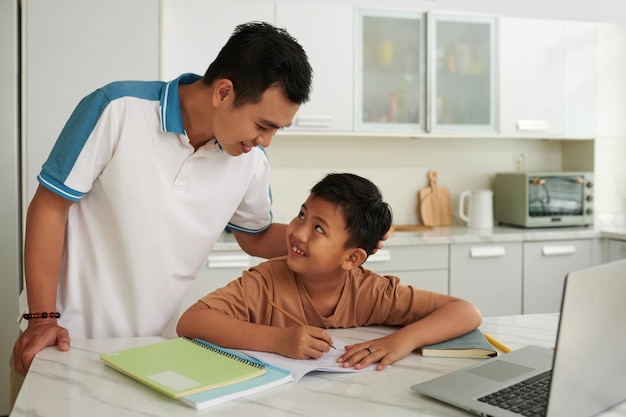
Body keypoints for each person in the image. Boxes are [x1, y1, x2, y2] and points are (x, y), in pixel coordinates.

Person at [10, 20, 314, 397]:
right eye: (263, 124)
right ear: (223, 91)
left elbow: (256, 237)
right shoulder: (117, 109)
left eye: (276, 130)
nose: (265, 140)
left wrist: (332, 237)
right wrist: (41, 319)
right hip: (66, 339)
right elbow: (48, 207)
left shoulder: (250, 162)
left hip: (155, 352)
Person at [176, 173, 482, 371]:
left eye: (318, 228)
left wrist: (402, 341)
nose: (298, 232)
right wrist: (278, 340)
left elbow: (466, 312)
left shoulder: (370, 292)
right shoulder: (266, 282)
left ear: (352, 258)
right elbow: (191, 321)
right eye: (301, 215)